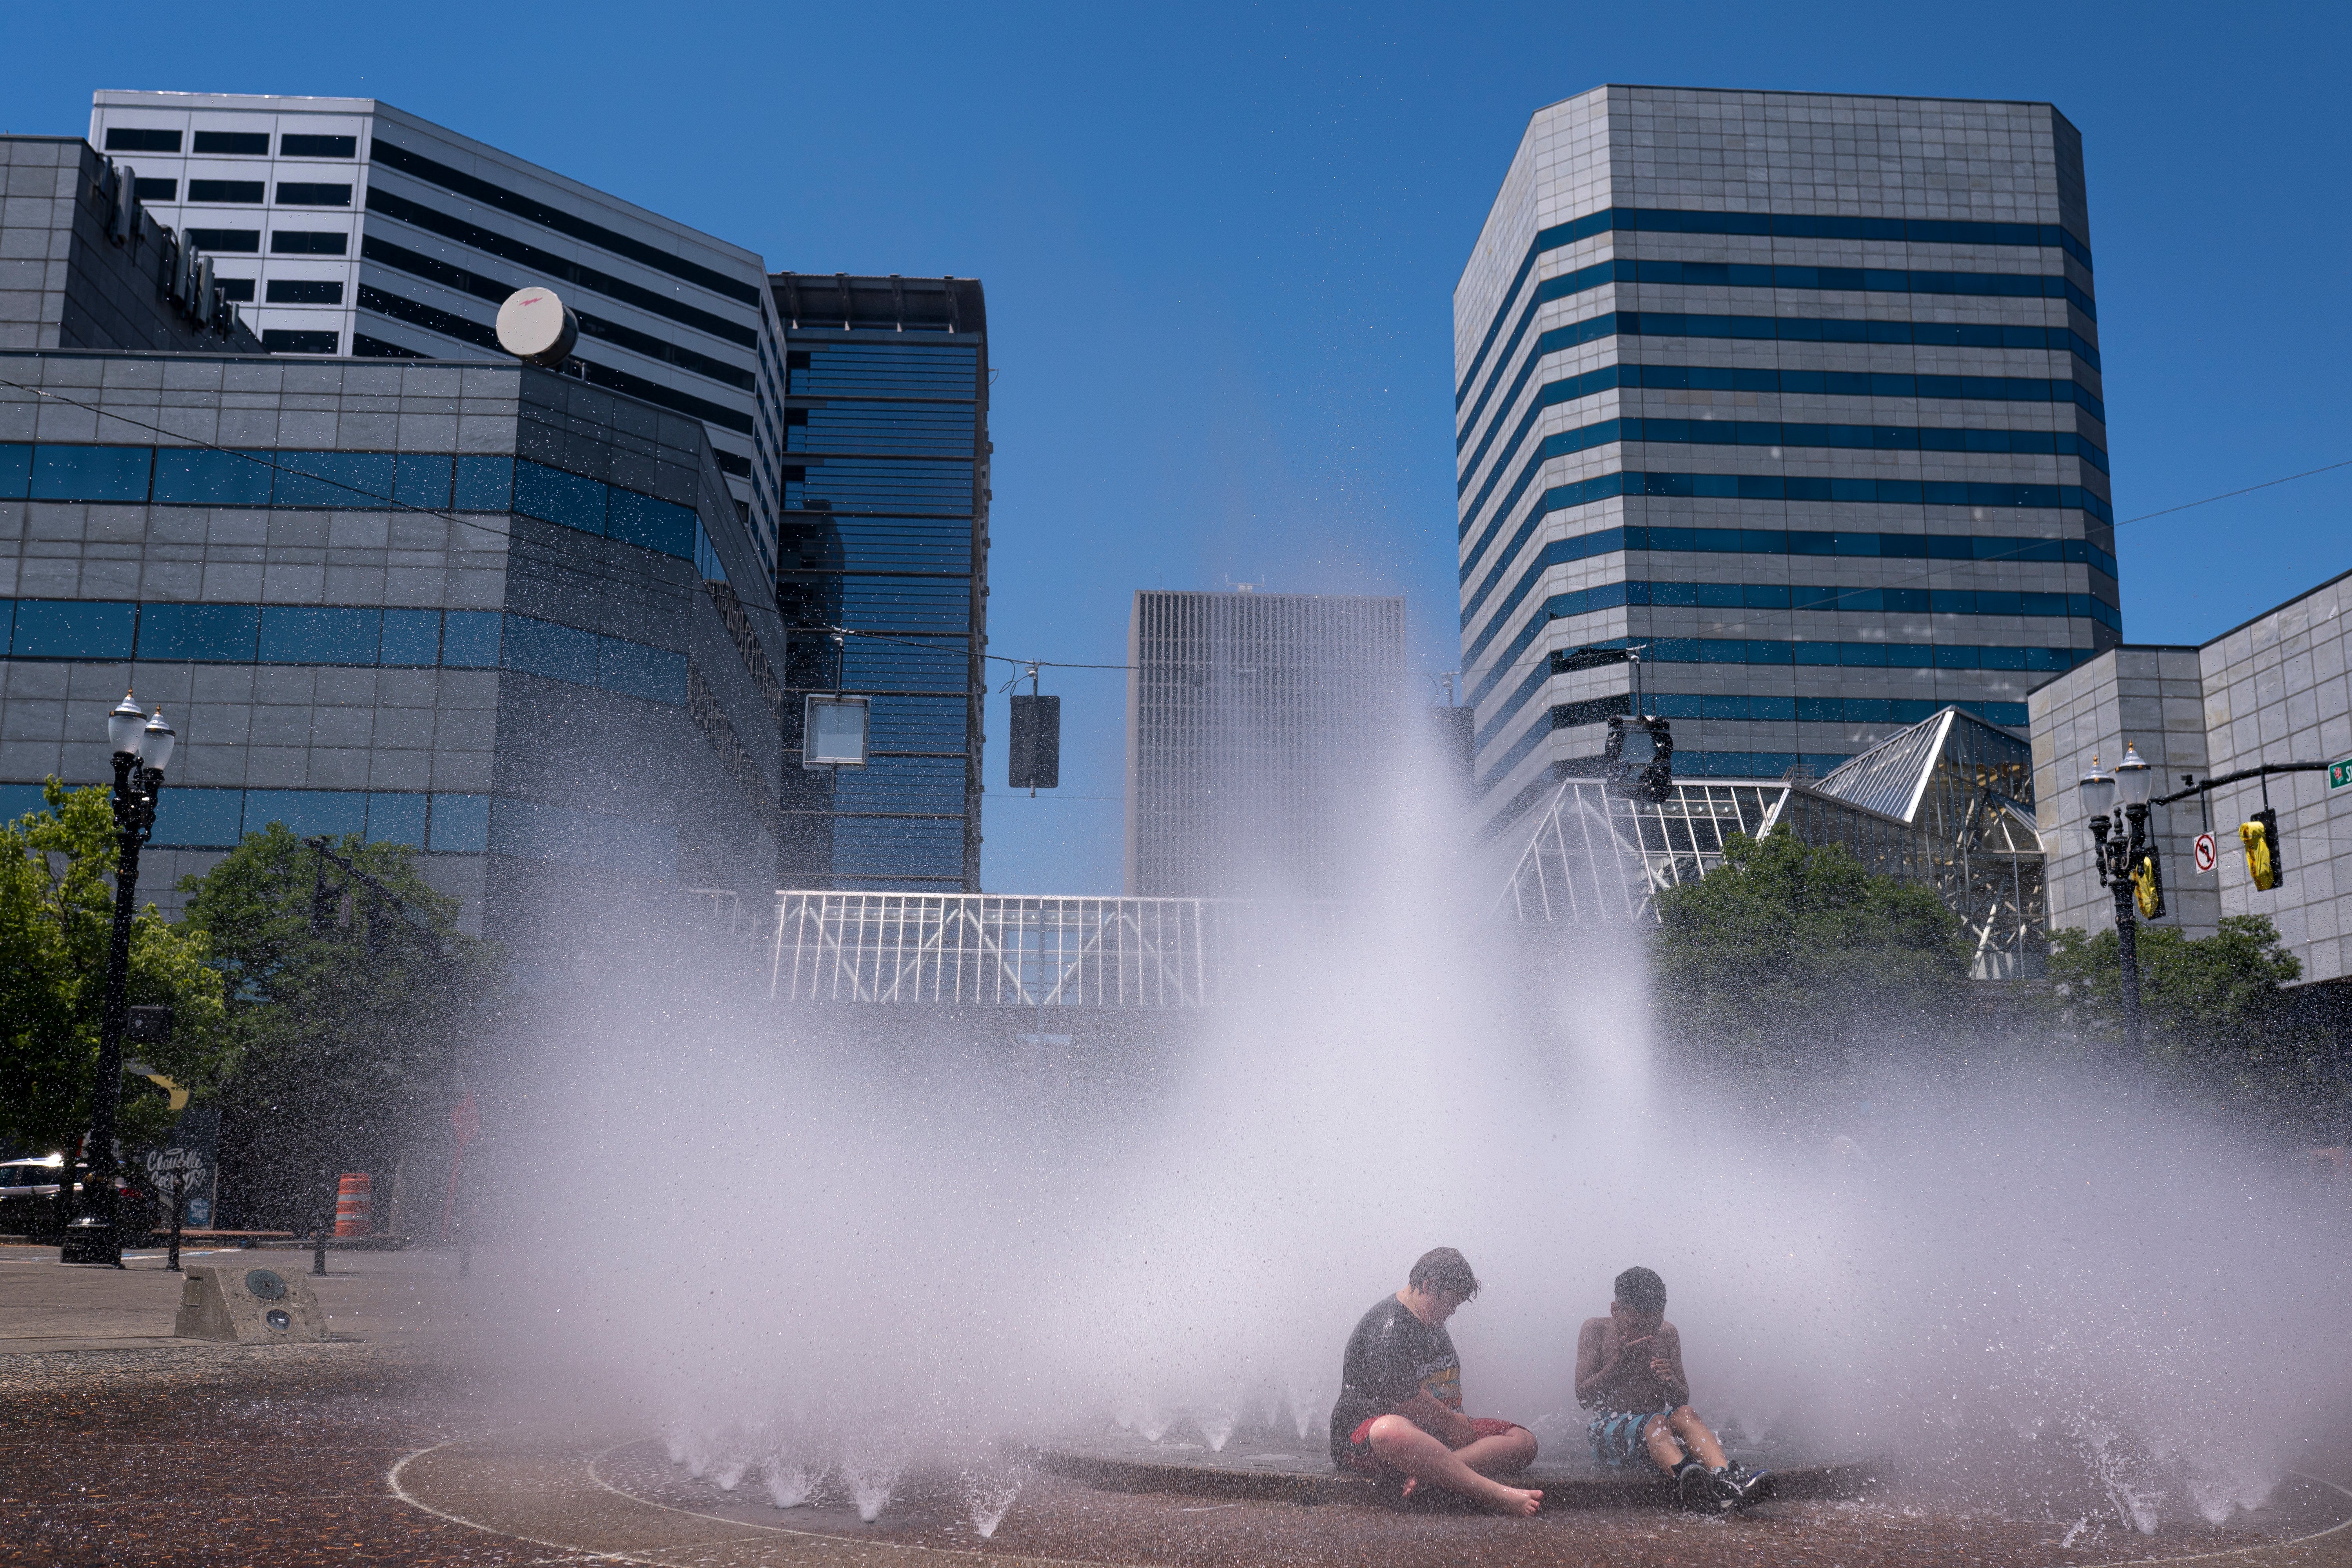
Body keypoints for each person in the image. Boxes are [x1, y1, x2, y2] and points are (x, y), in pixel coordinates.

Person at [1328, 1247, 1543, 1515]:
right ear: (1428, 1287)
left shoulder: (1432, 1322)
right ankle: (1495, 1494)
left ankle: (1435, 1469)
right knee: (1388, 1430)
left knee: (1523, 1440)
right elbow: (1404, 1401)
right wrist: (1452, 1423)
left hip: (1431, 1436)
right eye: (1450, 1302)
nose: (1453, 1311)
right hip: (1365, 1438)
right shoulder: (1388, 1328)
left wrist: (1455, 1425)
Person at [1574, 1266, 1771, 1508]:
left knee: (1686, 1415)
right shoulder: (1596, 1330)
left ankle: (1724, 1477)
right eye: (1637, 1325)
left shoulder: (1667, 1334)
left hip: (1657, 1435)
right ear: (1616, 1311)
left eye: (1653, 1325)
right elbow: (1583, 1397)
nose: (1647, 1333)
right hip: (1610, 1432)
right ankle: (1691, 1481)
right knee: (1656, 1422)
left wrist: (1668, 1381)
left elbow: (1681, 1398)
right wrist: (1619, 1364)